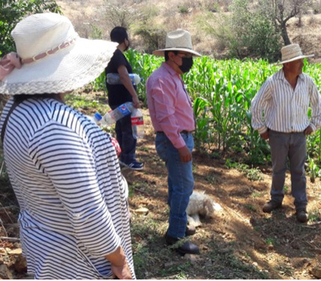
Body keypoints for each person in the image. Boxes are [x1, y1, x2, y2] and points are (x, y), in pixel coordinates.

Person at [0, 13, 135, 279]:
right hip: (82, 263)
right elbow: (87, 214)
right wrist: (118, 260)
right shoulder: (55, 126)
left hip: (48, 250)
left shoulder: (14, 110)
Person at [251, 43, 321, 223]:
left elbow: (318, 104)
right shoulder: (273, 82)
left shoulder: (307, 82)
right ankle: (276, 199)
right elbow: (256, 104)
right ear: (287, 64)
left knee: (299, 170)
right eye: (299, 61)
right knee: (278, 169)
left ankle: (301, 206)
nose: (302, 64)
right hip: (277, 134)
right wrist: (261, 128)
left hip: (299, 135)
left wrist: (314, 124)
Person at [146, 29, 201, 255]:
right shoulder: (161, 80)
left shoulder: (173, 76)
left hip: (180, 137)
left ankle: (177, 225)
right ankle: (175, 236)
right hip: (173, 140)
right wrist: (180, 145)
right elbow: (166, 118)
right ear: (171, 55)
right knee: (183, 187)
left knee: (176, 185)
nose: (188, 61)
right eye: (185, 56)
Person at [105, 26, 143, 170]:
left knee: (121, 128)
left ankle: (120, 156)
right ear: (125, 40)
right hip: (123, 101)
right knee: (128, 129)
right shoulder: (118, 55)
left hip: (115, 99)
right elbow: (123, 76)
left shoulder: (111, 55)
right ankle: (129, 158)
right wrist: (134, 95)